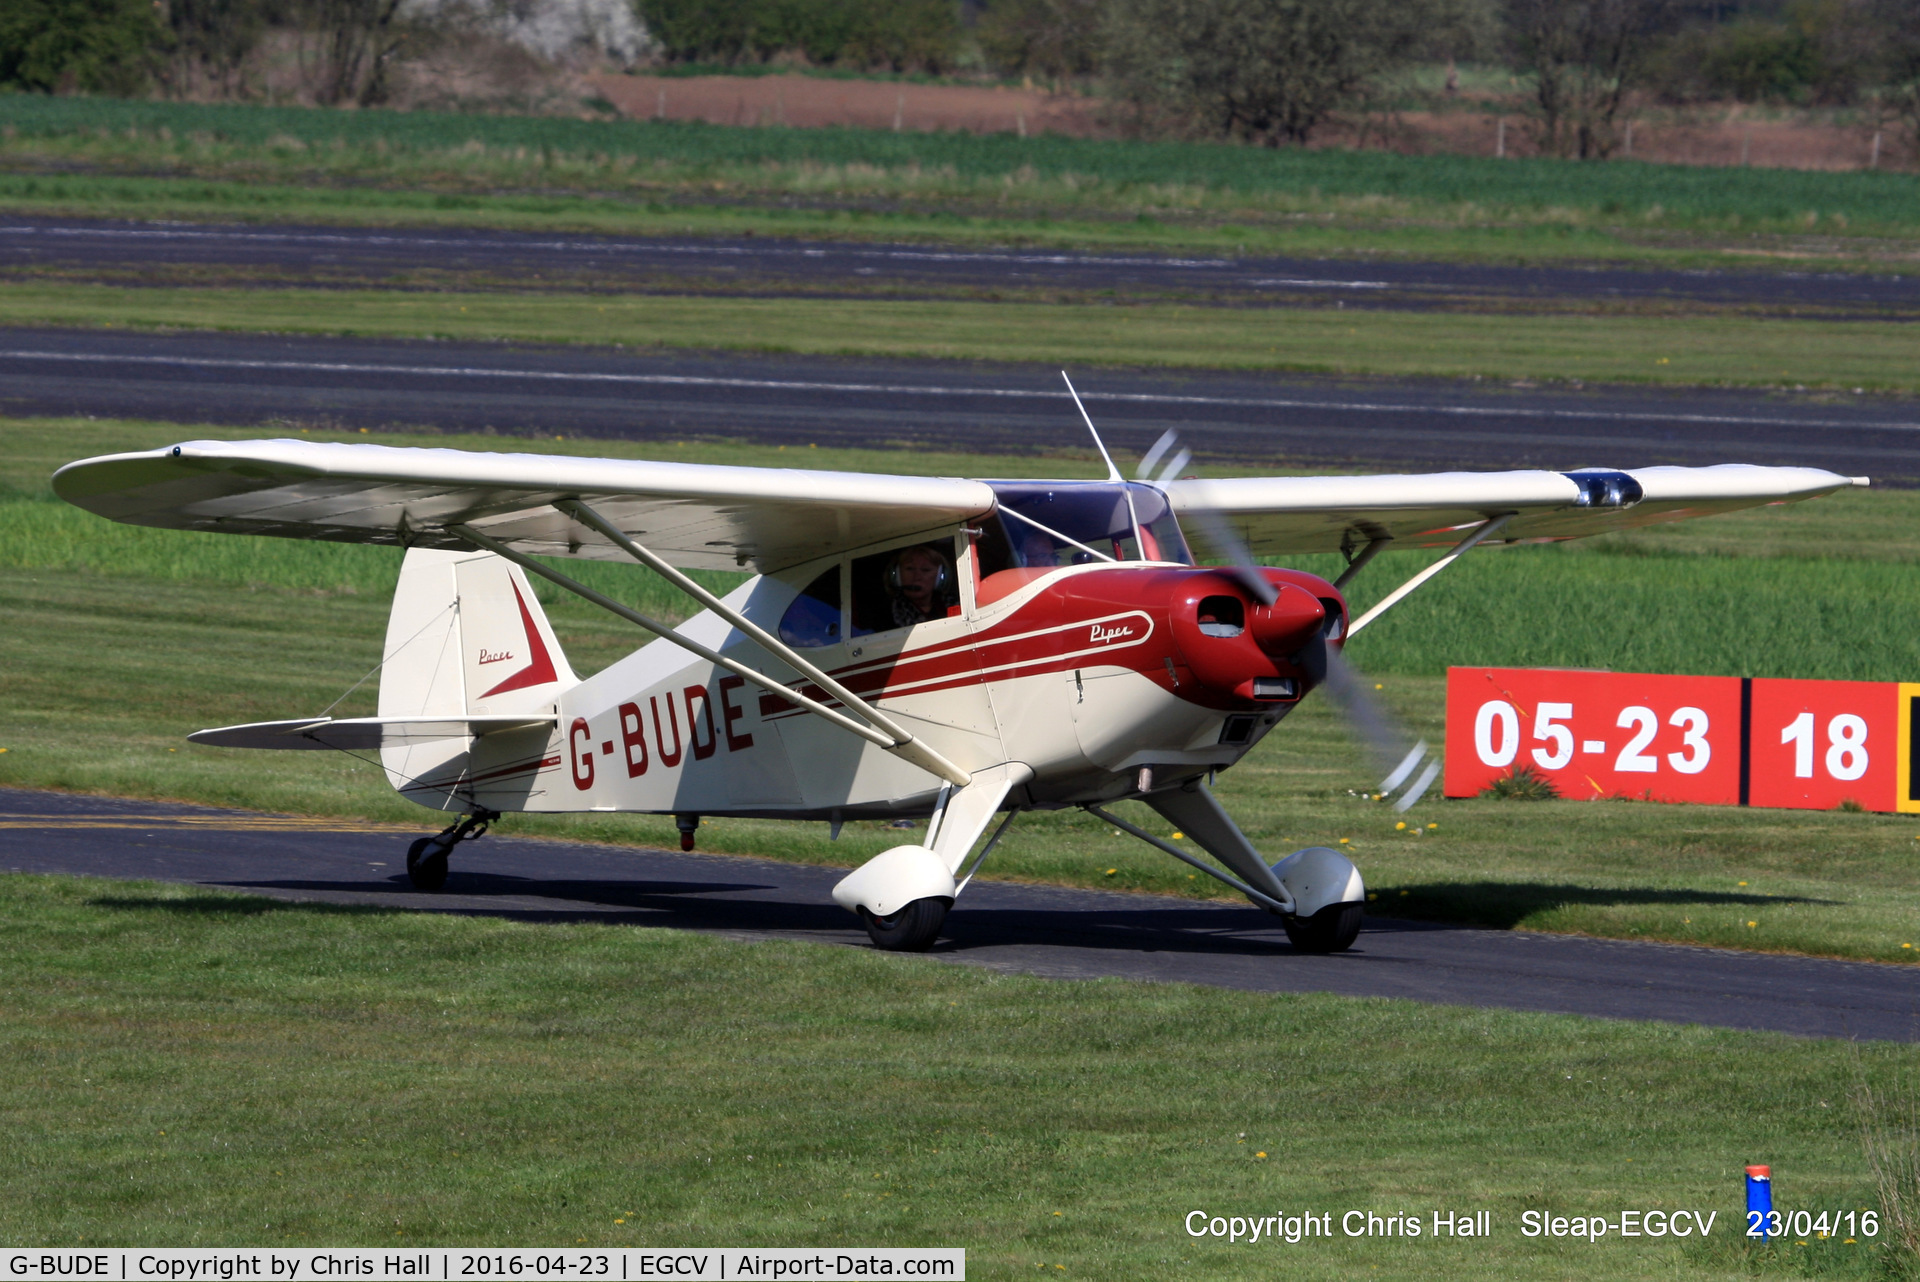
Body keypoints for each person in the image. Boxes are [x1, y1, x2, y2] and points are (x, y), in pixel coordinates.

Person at [887, 545, 953, 626]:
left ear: (940, 577)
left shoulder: (955, 606)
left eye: (925, 570)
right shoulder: (885, 613)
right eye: (910, 569)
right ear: (897, 575)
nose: (917, 577)